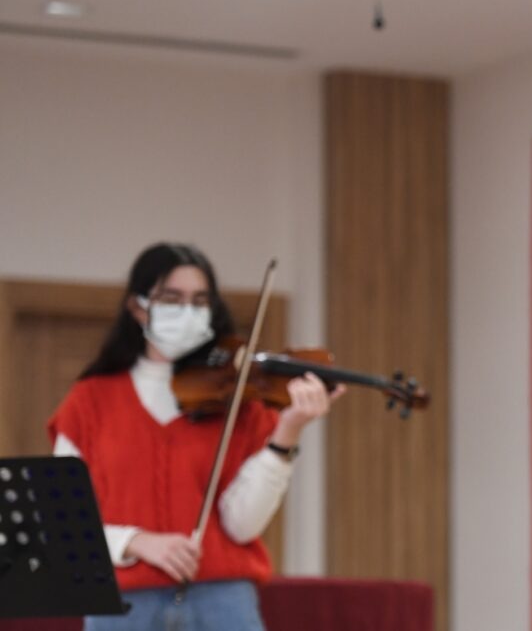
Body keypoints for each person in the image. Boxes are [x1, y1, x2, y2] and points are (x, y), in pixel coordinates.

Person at [48, 243, 344, 630]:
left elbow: (241, 526)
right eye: (172, 298)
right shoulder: (89, 401)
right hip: (124, 603)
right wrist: (136, 541)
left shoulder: (240, 401)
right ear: (137, 307)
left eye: (200, 301)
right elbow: (64, 524)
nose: (187, 310)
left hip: (223, 601)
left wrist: (287, 431)